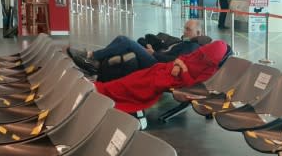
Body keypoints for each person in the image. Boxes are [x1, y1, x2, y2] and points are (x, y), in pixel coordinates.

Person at [95, 40, 230, 113]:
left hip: (174, 79)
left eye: (208, 57)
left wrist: (182, 68)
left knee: (139, 84)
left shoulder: (210, 71)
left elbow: (192, 85)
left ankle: (104, 91)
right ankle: (104, 89)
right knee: (134, 78)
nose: (204, 57)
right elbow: (183, 58)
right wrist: (178, 64)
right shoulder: (200, 52)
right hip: (167, 69)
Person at [67, 20, 204, 77]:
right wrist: (153, 47)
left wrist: (154, 53)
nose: (185, 31)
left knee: (126, 41)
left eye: (188, 30)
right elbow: (168, 49)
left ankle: (92, 56)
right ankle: (97, 62)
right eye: (185, 28)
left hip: (160, 65)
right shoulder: (184, 42)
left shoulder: (192, 46)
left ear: (198, 33)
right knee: (122, 40)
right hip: (156, 57)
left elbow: (175, 60)